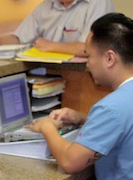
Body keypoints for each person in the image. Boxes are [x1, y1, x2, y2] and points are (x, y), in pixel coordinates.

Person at [26, 13, 133, 179]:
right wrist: (83, 118)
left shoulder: (111, 107)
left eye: (89, 56)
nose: (87, 63)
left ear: (110, 58)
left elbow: (70, 162)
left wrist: (47, 127)